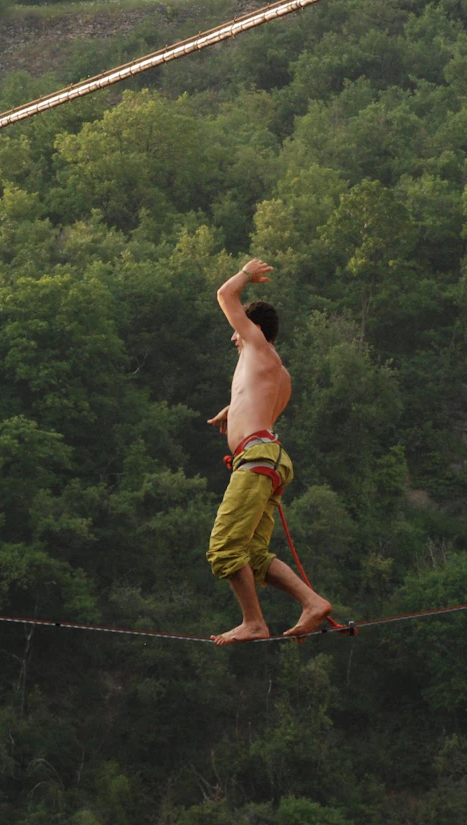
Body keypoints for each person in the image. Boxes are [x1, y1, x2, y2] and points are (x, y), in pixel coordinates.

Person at [205, 257, 334, 644]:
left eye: (238, 329)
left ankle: (253, 622)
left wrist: (246, 274)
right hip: (271, 460)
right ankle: (312, 602)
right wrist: (233, 408)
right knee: (255, 556)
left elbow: (225, 294)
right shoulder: (278, 373)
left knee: (225, 550)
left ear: (254, 329)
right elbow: (264, 406)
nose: (233, 337)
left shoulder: (256, 346)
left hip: (257, 460)